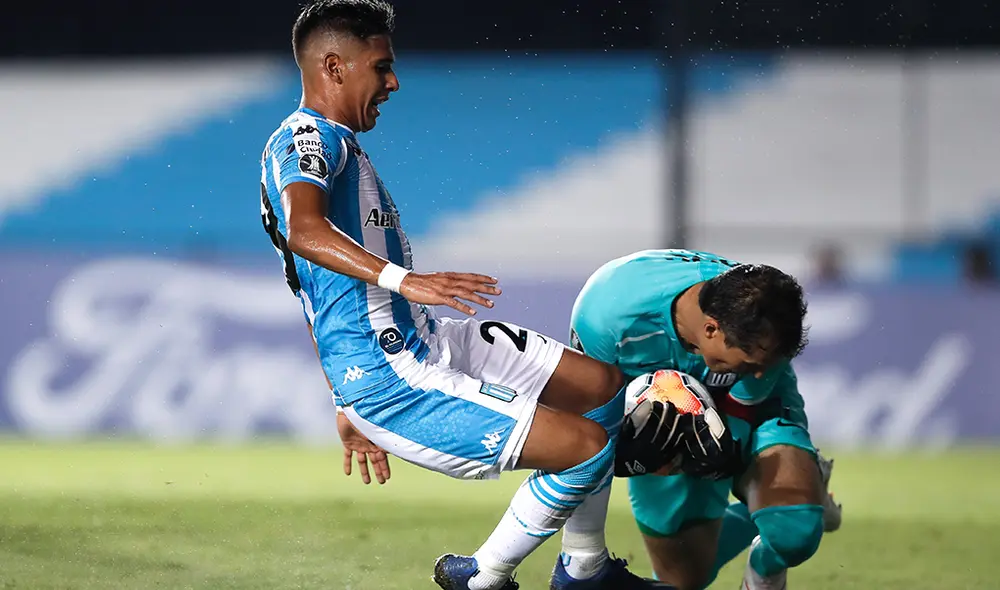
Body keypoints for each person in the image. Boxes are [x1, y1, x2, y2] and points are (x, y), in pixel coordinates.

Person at [257, 2, 708, 588]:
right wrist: (405, 283)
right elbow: (305, 232)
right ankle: (484, 577)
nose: (393, 82)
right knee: (588, 447)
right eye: (382, 66)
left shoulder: (337, 144)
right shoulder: (306, 137)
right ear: (335, 67)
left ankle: (585, 568)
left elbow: (312, 292)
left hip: (422, 339)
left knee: (600, 388)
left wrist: (341, 403)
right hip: (392, 378)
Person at [570, 249, 843, 590]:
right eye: (749, 362)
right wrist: (647, 456)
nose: (759, 373)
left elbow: (746, 404)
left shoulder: (761, 322)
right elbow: (593, 425)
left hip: (749, 408)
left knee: (794, 528)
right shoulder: (607, 318)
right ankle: (796, 491)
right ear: (711, 329)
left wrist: (725, 455)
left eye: (767, 361)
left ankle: (780, 533)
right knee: (683, 581)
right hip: (664, 419)